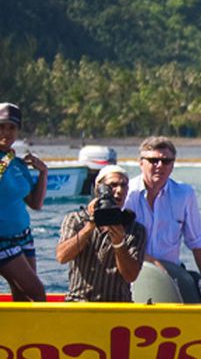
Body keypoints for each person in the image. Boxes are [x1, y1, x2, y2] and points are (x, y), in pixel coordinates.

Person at [124, 136, 201, 303]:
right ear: (141, 163)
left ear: (172, 165)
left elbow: (197, 242)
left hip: (171, 271)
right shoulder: (126, 193)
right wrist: (152, 262)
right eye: (154, 161)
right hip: (132, 270)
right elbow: (115, 243)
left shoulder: (184, 194)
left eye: (166, 161)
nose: (160, 166)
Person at [54, 165, 146, 302]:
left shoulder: (135, 229)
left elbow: (131, 276)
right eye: (113, 185)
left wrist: (119, 244)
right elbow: (62, 257)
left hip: (117, 303)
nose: (119, 190)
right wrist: (90, 225)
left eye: (123, 186)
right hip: (79, 301)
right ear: (99, 188)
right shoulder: (75, 220)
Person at [0, 102, 47, 301]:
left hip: (24, 236)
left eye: (12, 127)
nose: (6, 132)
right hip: (2, 240)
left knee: (21, 296)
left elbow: (35, 204)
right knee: (37, 292)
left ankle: (20, 334)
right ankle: (44, 333)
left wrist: (43, 172)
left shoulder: (17, 163)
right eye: (1, 126)